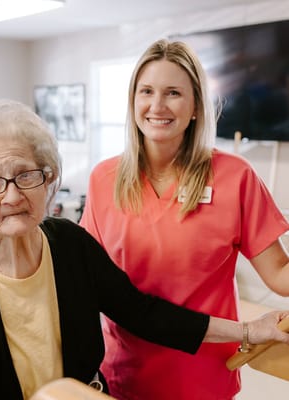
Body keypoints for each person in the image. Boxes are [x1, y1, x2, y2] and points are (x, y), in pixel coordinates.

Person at [0, 99, 288, 400]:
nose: (13, 195)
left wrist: (248, 330)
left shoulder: (70, 245)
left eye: (26, 175)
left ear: (47, 179)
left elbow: (141, 312)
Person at [80, 39, 289, 400]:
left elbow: (280, 275)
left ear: (195, 106)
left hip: (203, 377)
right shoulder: (104, 179)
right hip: (124, 374)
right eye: (146, 91)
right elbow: (88, 281)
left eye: (173, 93)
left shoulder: (234, 176)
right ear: (133, 101)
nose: (157, 106)